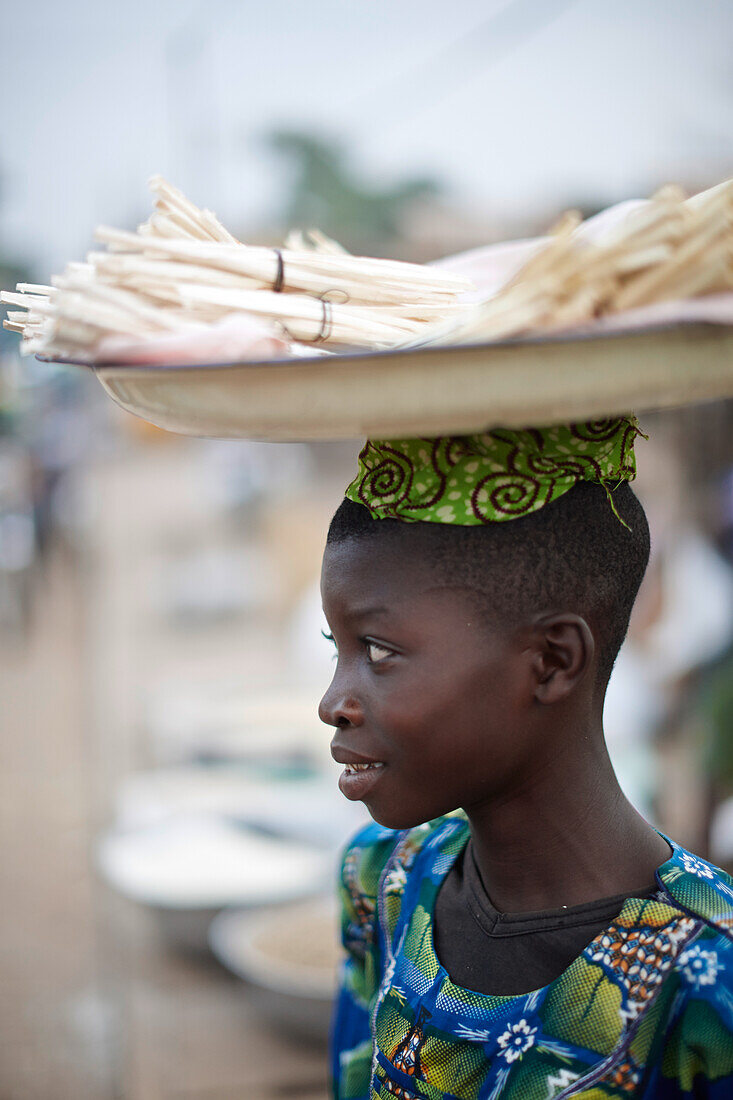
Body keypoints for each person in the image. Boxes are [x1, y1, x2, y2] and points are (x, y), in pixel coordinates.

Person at [318, 419, 733, 1099]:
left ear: (550, 661)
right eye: (335, 649)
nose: (332, 701)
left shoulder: (705, 978)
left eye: (379, 651)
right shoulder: (385, 880)